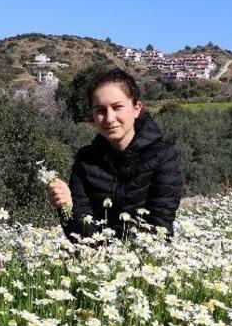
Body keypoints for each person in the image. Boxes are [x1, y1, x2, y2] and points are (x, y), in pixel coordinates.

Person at [47, 69, 183, 240]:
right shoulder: (85, 160)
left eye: (117, 107)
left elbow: (160, 229)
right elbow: (80, 237)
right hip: (98, 261)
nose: (109, 118)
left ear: (136, 108)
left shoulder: (163, 157)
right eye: (100, 110)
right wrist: (66, 206)